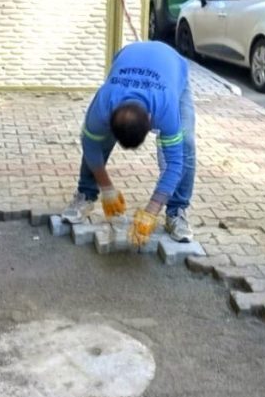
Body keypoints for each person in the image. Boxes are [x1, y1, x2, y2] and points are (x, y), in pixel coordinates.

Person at [60, 41, 196, 245]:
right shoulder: (104, 103)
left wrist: (152, 210)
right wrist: (106, 187)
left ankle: (176, 211)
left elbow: (175, 164)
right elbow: (89, 143)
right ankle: (86, 194)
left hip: (173, 66)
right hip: (128, 58)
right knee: (99, 139)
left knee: (186, 143)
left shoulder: (166, 108)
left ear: (152, 121)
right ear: (110, 117)